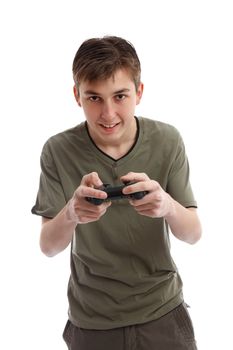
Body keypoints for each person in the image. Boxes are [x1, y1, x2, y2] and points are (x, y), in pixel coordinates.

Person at [31, 36, 202, 350]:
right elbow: (48, 247)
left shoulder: (168, 140)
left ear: (139, 91)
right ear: (76, 95)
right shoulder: (57, 150)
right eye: (94, 98)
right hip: (92, 323)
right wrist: (71, 213)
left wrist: (167, 205)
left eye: (120, 96)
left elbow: (193, 234)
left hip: (163, 314)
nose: (108, 113)